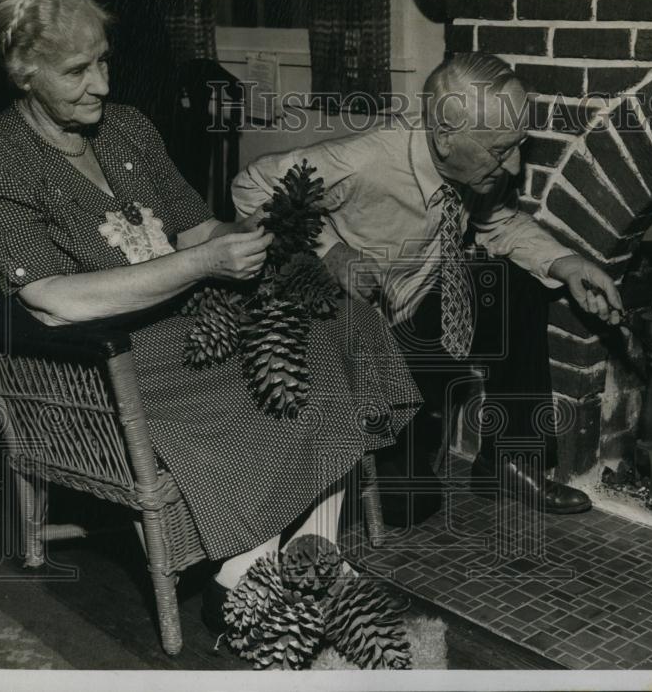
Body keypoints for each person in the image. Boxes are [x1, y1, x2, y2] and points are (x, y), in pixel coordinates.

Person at [0, 0, 422, 633]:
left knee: (340, 327)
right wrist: (199, 263)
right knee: (253, 394)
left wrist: (266, 242)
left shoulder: (127, 128)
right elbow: (53, 301)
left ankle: (305, 555)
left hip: (192, 322)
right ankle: (245, 574)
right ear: (22, 73)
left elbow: (196, 227)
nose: (100, 82)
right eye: (77, 70)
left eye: (104, 60)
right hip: (107, 359)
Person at [231, 52, 624, 524]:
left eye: (519, 144)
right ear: (444, 138)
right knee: (409, 504)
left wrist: (567, 263)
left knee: (517, 286)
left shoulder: (474, 167)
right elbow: (251, 186)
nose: (516, 166)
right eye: (502, 150)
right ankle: (323, 470)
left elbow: (497, 222)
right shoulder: (365, 161)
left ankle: (510, 461)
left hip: (423, 307)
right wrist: (330, 249)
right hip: (359, 338)